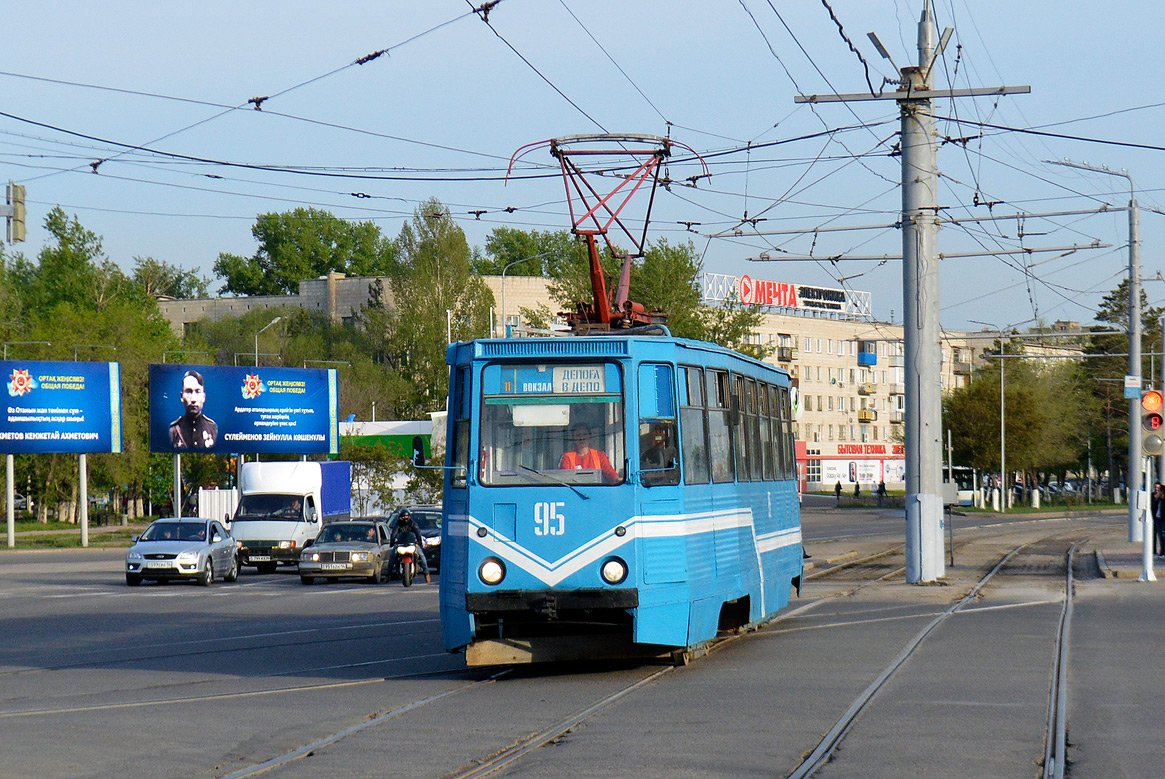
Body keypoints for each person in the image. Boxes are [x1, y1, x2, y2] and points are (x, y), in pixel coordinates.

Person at [169, 370, 217, 449]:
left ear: (203, 397)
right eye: (188, 392)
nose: (193, 399)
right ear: (181, 396)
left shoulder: (212, 428)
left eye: (198, 392)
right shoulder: (173, 431)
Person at [391, 510, 431, 583]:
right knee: (392, 556)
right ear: (400, 517)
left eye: (407, 516)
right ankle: (388, 574)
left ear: (409, 516)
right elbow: (394, 533)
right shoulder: (398, 525)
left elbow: (418, 533)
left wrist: (419, 542)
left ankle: (426, 572)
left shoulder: (413, 524)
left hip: (412, 543)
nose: (405, 518)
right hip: (401, 544)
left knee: (421, 556)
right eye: (403, 516)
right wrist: (392, 542)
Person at [1155, 483, 1165, 557]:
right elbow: (1154, 507)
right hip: (1158, 518)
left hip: (1163, 519)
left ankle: (1164, 552)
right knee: (1160, 536)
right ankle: (1162, 551)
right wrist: (1157, 499)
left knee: (1163, 535)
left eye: (1160, 491)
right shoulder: (1159, 500)